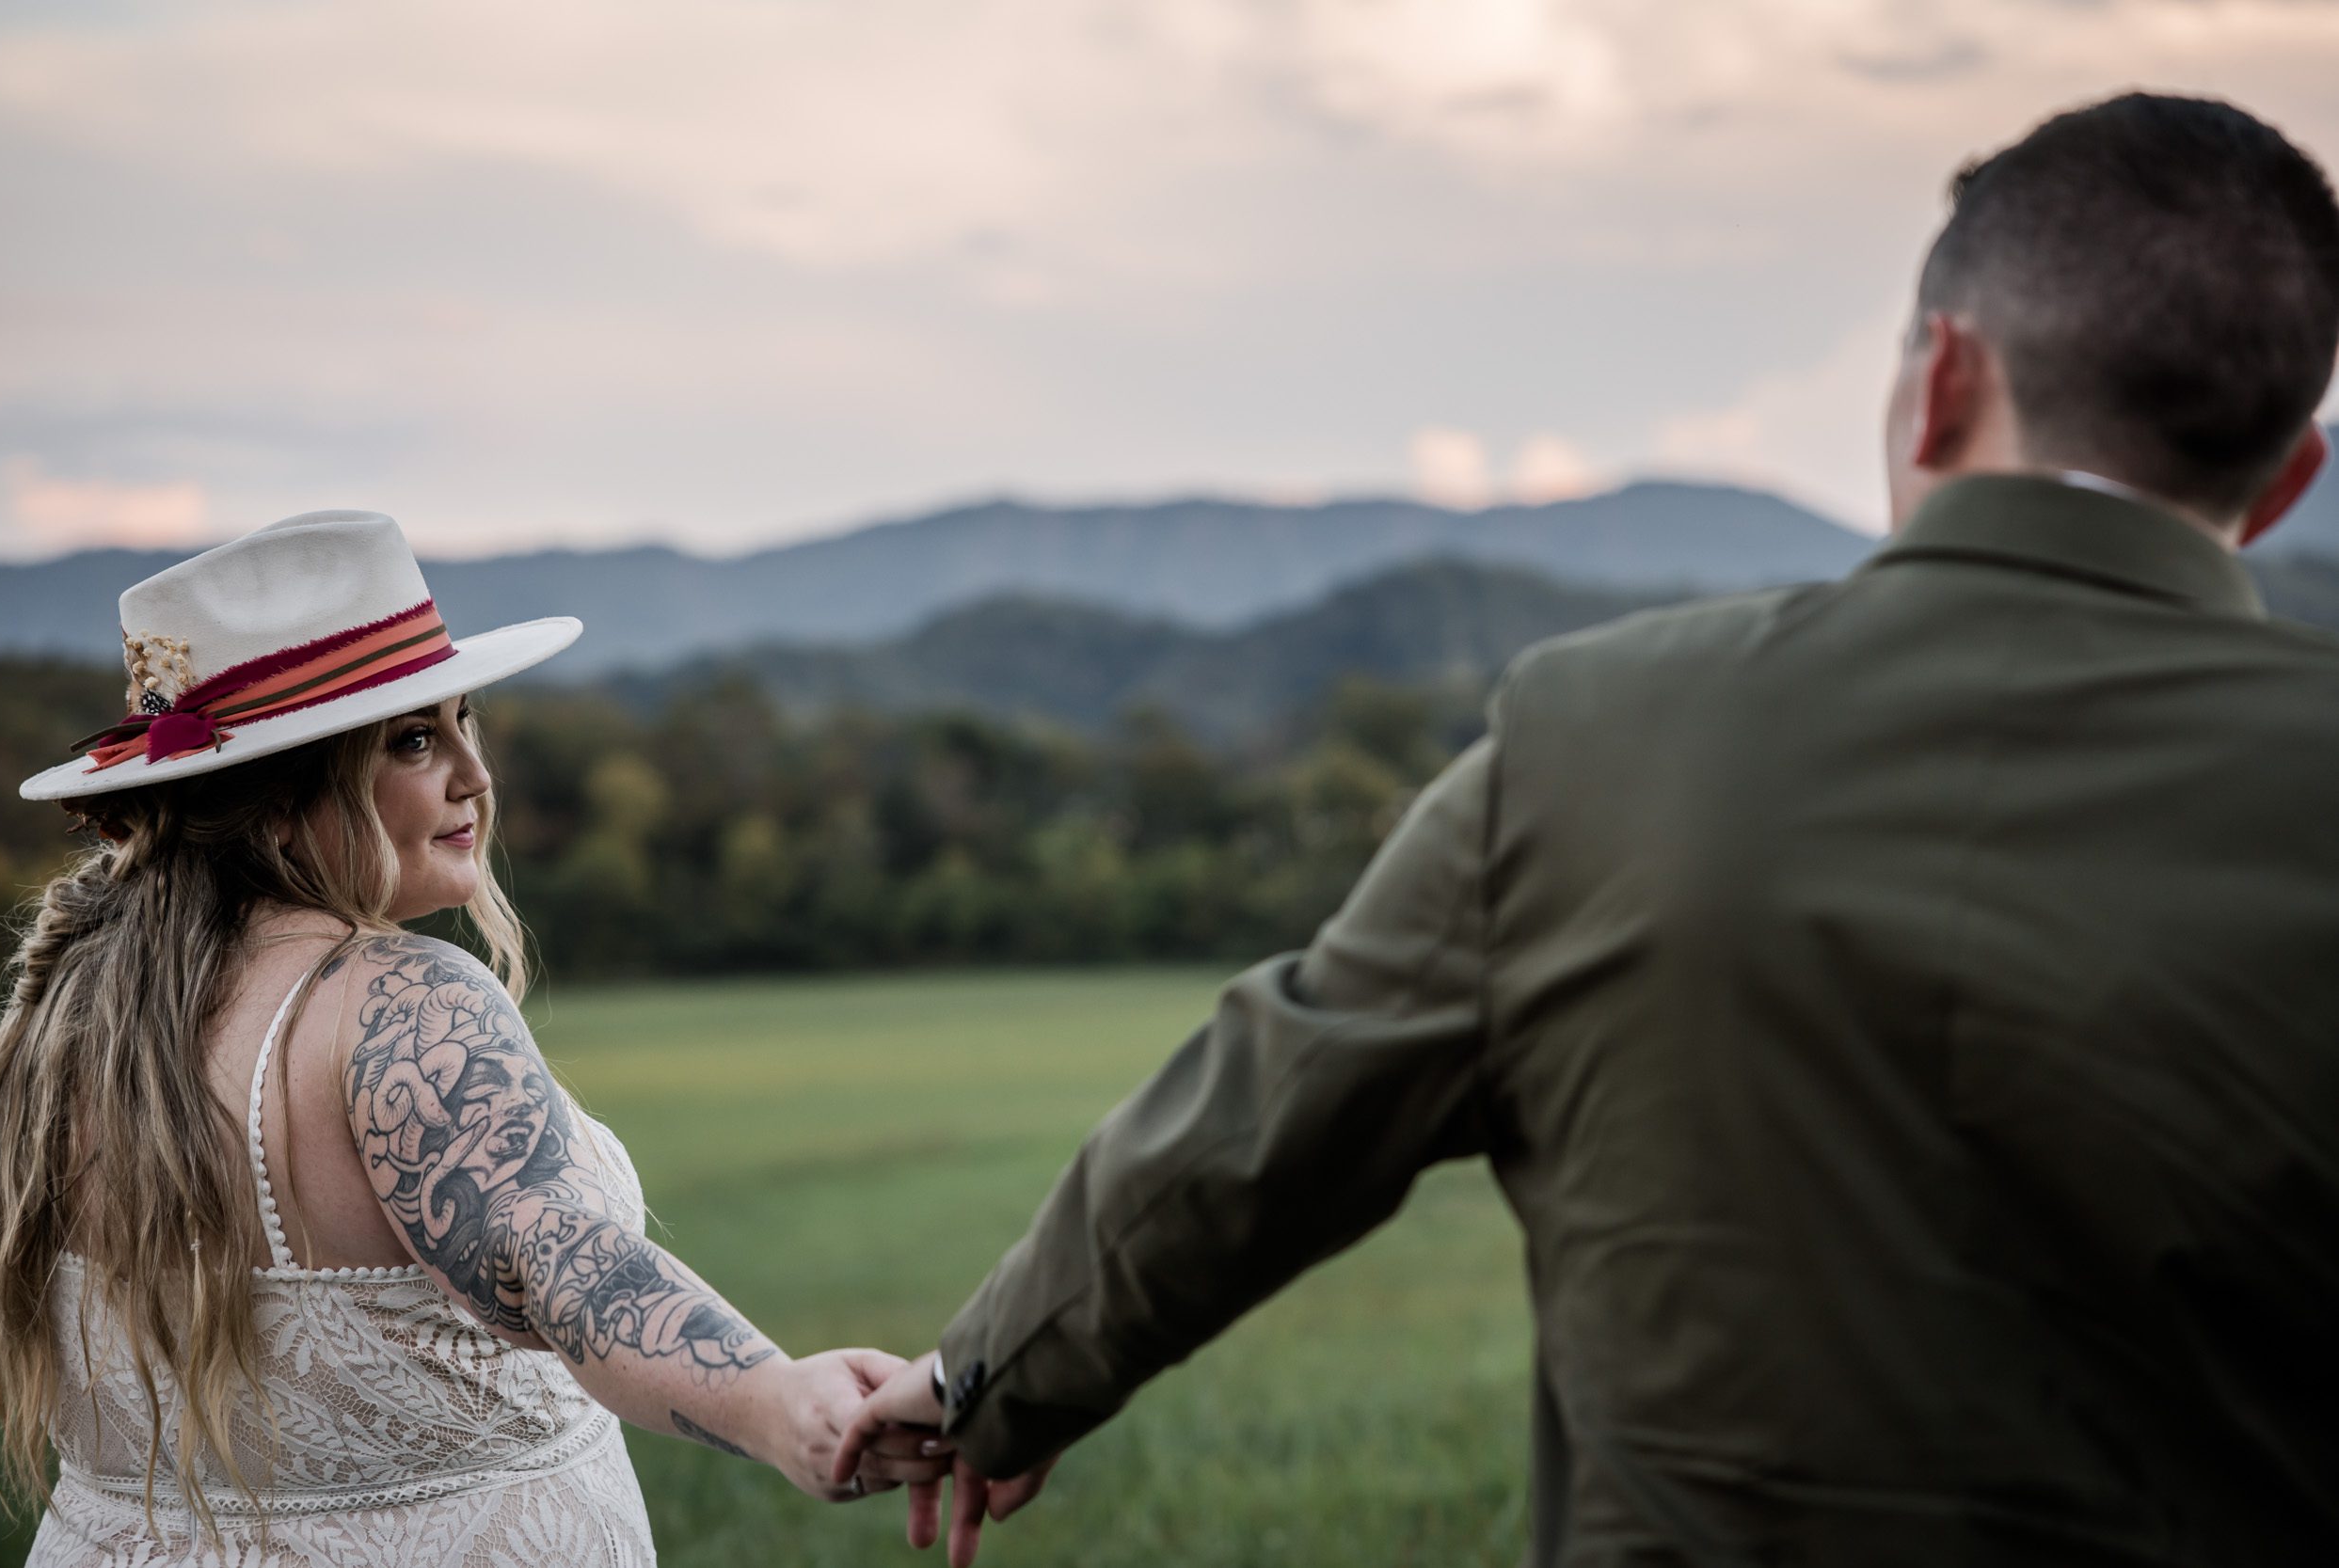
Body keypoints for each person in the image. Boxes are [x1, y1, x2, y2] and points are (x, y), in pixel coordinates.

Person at [838, 91, 2339, 1566]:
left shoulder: (1598, 732)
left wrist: (989, 1378)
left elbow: (1259, 1119)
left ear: (1940, 378)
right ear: (2289, 480)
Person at [0, 512, 948, 1564]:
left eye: (460, 721)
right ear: (278, 800)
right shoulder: (397, 1001)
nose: (471, 774)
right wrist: (778, 1399)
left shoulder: (60, 1022)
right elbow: (561, 1257)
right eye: (411, 740)